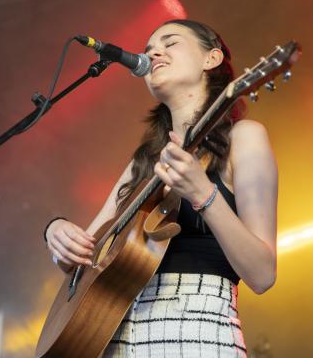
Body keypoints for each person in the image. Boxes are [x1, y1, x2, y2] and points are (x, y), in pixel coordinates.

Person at [43, 19, 278, 358]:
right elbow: (84, 256)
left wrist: (203, 195)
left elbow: (262, 274)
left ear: (210, 59)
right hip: (113, 334)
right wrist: (56, 233)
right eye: (150, 46)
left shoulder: (245, 137)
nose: (153, 51)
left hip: (197, 333)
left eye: (170, 43)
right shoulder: (144, 160)